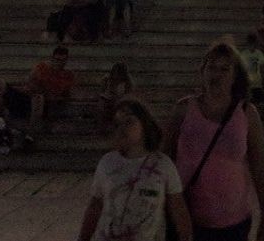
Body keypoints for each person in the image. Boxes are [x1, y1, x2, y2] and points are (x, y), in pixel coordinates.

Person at [163, 39, 264, 241]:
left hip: (234, 222)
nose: (216, 74)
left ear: (235, 76)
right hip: (186, 218)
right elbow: (164, 158)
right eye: (211, 67)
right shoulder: (183, 109)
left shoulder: (247, 113)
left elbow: (260, 167)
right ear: (202, 71)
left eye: (225, 69)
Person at [80, 96, 191, 241]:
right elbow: (96, 205)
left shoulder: (163, 165)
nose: (122, 128)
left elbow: (178, 208)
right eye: (117, 124)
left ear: (145, 125)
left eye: (129, 122)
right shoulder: (107, 162)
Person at [2, 45, 77, 138]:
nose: (59, 63)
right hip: (28, 97)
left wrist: (52, 97)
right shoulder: (41, 67)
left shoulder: (68, 76)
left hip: (45, 103)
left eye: (62, 61)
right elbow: (30, 83)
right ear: (52, 59)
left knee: (38, 97)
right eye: (57, 60)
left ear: (66, 61)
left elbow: (66, 97)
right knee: (0, 83)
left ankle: (30, 134)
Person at [96, 62, 134, 132]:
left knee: (123, 108)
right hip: (108, 100)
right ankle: (103, 128)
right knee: (102, 105)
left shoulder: (127, 82)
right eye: (115, 72)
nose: (116, 75)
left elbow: (129, 95)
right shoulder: (107, 79)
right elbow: (101, 92)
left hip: (121, 101)